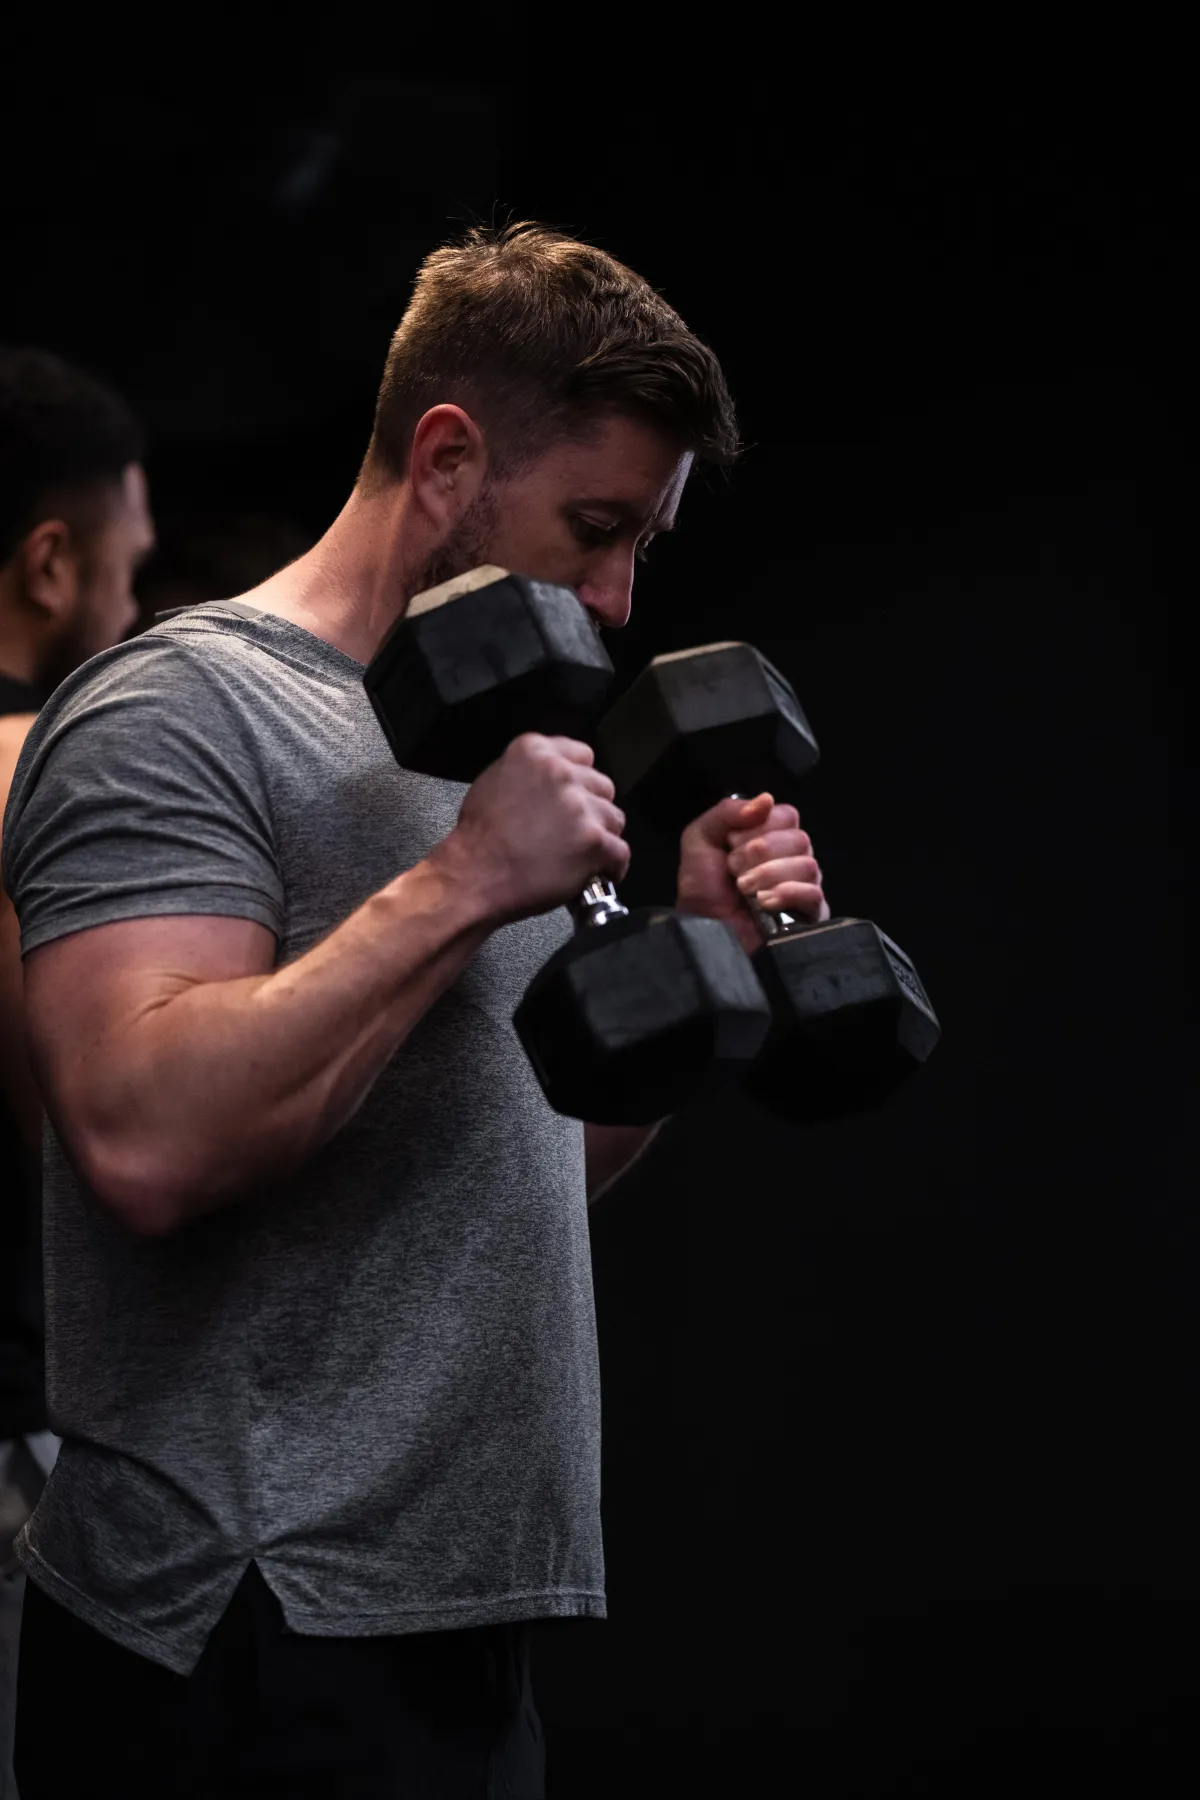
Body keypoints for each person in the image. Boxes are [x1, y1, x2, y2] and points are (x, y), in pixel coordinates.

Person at [3, 224, 828, 1798]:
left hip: (462, 1613)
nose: (617, 598)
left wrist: (703, 955)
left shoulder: (512, 744)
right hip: (237, 1619)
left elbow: (522, 1160)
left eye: (642, 545)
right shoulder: (181, 708)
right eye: (595, 528)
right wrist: (460, 884)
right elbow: (141, 1140)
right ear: (447, 459)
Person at [0, 346, 153, 1800]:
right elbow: (91, 1141)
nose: (132, 617)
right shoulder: (34, 769)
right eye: (127, 571)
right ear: (50, 565)